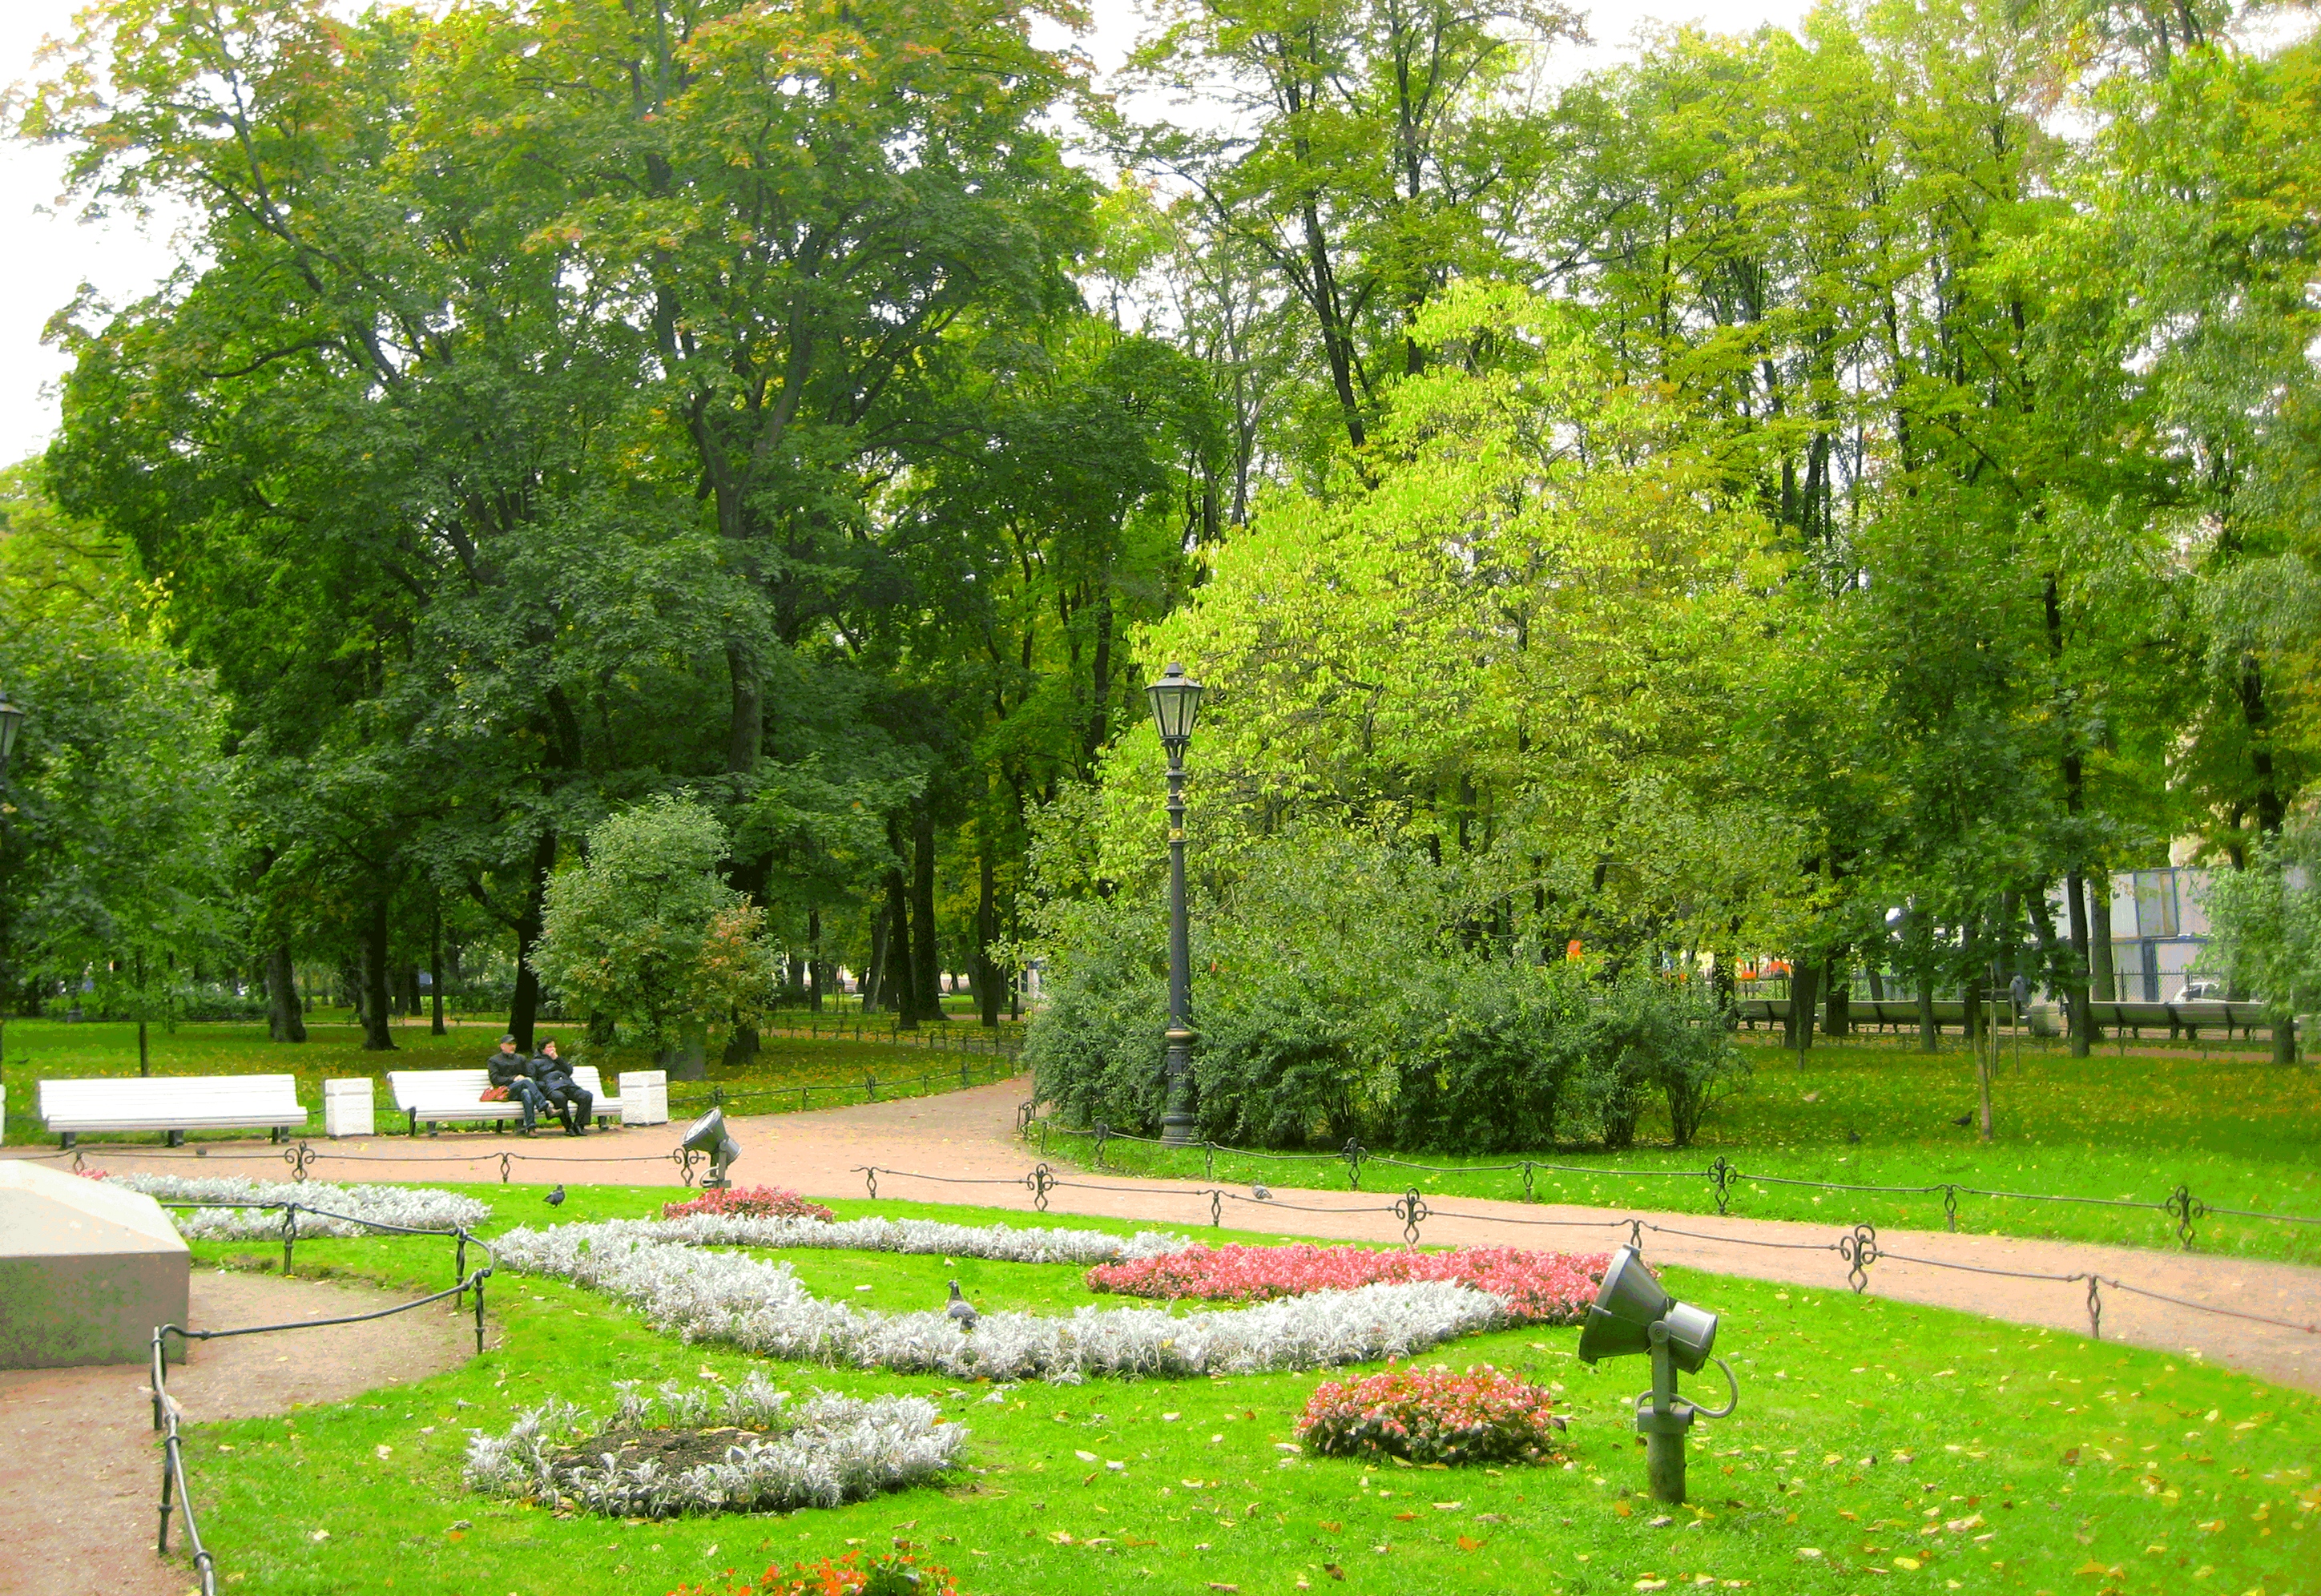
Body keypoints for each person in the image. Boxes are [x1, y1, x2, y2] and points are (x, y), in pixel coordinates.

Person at [486, 1034, 550, 1133]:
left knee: (526, 1093)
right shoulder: (494, 1060)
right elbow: (495, 1079)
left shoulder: (521, 1058)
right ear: (502, 1046)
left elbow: (530, 1075)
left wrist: (524, 1080)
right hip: (504, 1092)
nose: (513, 1046)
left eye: (514, 1044)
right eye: (509, 1044)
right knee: (526, 1082)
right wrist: (514, 1078)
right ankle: (545, 1108)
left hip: (520, 1091)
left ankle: (531, 1128)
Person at [532, 1037, 594, 1135]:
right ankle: (568, 1126)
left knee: (586, 1096)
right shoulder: (535, 1063)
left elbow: (569, 1071)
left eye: (554, 1046)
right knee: (560, 1098)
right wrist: (545, 1085)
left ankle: (579, 1125)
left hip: (567, 1085)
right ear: (542, 1049)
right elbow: (533, 1080)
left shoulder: (558, 1059)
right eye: (549, 1047)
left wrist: (556, 1059)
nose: (553, 1049)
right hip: (551, 1088)